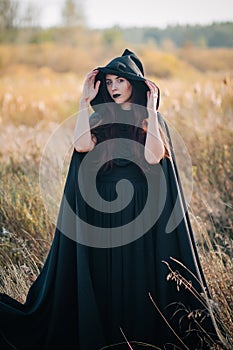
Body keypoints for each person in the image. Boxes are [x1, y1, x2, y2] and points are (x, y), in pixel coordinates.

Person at [0, 49, 221, 350]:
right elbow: (80, 146)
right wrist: (83, 102)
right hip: (101, 211)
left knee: (137, 277)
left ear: (134, 84)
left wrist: (152, 110)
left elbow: (153, 156)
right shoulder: (99, 117)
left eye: (120, 80)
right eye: (108, 81)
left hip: (141, 212)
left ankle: (139, 338)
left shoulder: (151, 120)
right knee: (105, 279)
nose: (113, 86)